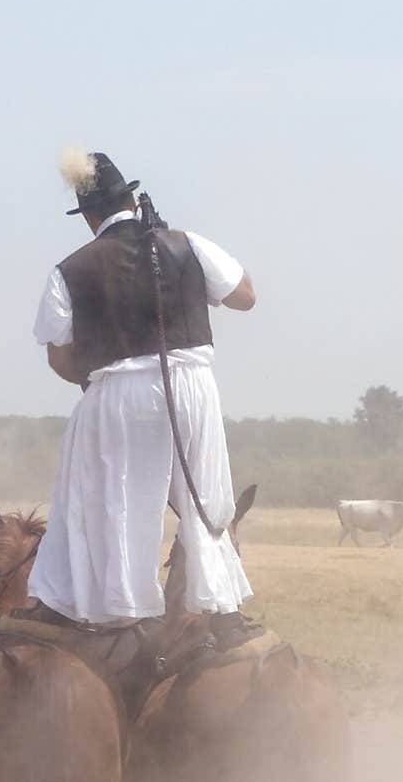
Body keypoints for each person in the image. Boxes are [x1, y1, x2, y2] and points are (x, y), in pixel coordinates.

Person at [27, 149, 256, 649]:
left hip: (118, 392)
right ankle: (225, 614)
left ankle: (122, 613)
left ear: (90, 218)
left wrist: (98, 378)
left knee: (112, 499)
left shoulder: (69, 270)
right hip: (193, 384)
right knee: (206, 494)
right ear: (133, 199)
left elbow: (59, 359)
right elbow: (245, 296)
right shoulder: (187, 243)